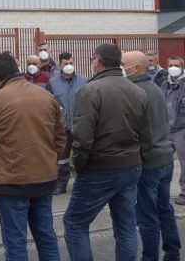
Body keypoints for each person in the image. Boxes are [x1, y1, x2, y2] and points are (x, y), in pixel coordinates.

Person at [0, 53, 65, 261]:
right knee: (46, 236)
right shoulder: (46, 96)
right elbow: (60, 139)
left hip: (11, 180)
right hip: (44, 177)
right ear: (17, 70)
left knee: (15, 241)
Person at [63, 44, 151, 260]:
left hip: (100, 166)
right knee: (126, 225)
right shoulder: (137, 91)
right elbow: (145, 134)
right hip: (130, 165)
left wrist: (79, 165)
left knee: (75, 223)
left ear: (97, 61)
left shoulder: (90, 90)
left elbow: (82, 136)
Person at [122, 51, 180, 261]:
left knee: (147, 216)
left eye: (123, 64)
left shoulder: (135, 92)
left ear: (136, 68)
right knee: (164, 209)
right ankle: (173, 253)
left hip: (149, 162)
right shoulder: (155, 88)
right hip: (165, 157)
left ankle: (150, 257)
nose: (121, 68)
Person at [46, 52, 88, 195]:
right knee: (62, 158)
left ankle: (82, 184)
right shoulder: (52, 83)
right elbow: (49, 104)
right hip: (62, 127)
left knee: (82, 156)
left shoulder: (84, 81)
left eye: (70, 63)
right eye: (65, 64)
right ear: (59, 65)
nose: (68, 66)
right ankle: (61, 185)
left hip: (80, 125)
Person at [162, 55, 185, 205]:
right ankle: (162, 192)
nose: (173, 68)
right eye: (170, 65)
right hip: (165, 130)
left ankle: (184, 192)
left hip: (181, 130)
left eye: (176, 65)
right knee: (162, 162)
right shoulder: (164, 84)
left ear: (182, 67)